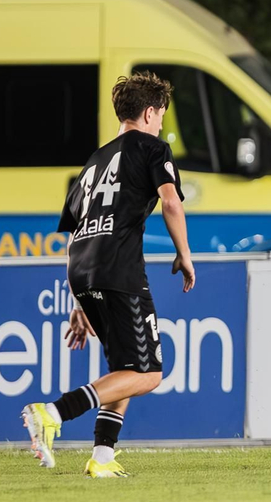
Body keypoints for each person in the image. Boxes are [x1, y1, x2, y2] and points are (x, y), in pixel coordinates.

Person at [22, 72, 196, 477]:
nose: (161, 125)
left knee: (126, 369)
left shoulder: (94, 161)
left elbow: (75, 233)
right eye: (161, 117)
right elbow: (170, 202)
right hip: (119, 269)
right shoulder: (153, 148)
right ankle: (52, 413)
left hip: (81, 268)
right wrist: (184, 254)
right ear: (151, 113)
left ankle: (102, 458)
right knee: (149, 374)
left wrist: (78, 299)